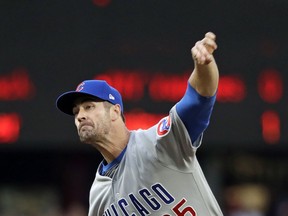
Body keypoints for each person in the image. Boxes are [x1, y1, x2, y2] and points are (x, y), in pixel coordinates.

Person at [56, 32, 223, 215]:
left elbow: (199, 97)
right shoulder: (98, 193)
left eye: (88, 107)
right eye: (76, 112)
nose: (80, 116)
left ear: (115, 111)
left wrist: (204, 65)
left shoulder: (157, 143)